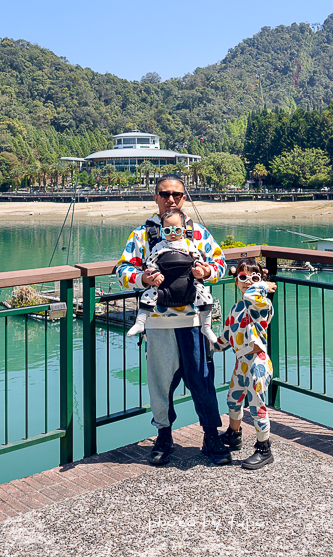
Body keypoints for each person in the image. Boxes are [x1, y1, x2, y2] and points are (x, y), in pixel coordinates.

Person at [116, 174, 231, 466]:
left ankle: (210, 434)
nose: (170, 199)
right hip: (157, 322)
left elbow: (221, 264)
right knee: (160, 382)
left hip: (194, 322)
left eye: (177, 194)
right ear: (154, 197)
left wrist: (206, 273)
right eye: (164, 194)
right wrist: (142, 277)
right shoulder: (142, 234)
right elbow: (121, 269)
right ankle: (164, 436)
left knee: (202, 379)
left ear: (184, 197)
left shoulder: (198, 233)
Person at [213, 258, 276, 469]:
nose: (247, 282)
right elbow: (225, 337)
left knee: (257, 406)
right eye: (242, 277)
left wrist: (263, 286)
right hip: (242, 362)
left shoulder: (262, 303)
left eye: (254, 277)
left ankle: (264, 448)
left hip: (258, 362)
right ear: (235, 280)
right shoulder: (235, 309)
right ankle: (234, 435)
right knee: (233, 399)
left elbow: (251, 294)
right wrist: (209, 348)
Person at [125, 208, 218, 343]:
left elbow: (198, 259)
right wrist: (153, 275)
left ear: (184, 231)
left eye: (177, 230)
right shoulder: (158, 246)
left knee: (206, 297)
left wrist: (202, 271)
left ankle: (207, 326)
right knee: (147, 296)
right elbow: (151, 262)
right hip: (162, 287)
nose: (173, 234)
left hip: (188, 288)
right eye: (168, 231)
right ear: (163, 231)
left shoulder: (189, 245)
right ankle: (140, 322)